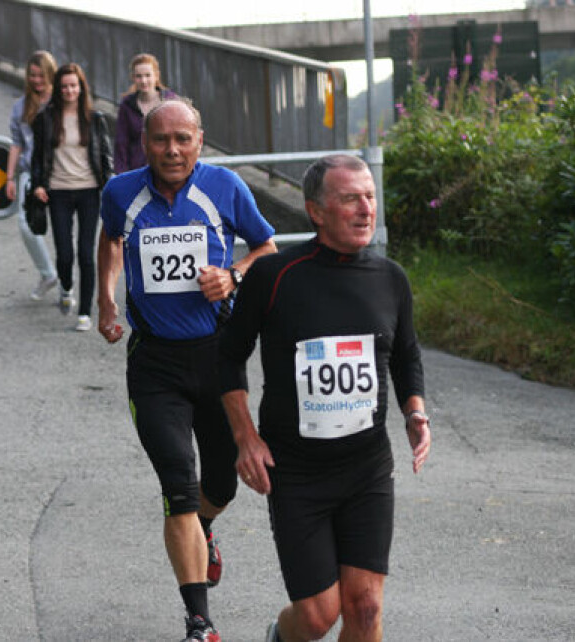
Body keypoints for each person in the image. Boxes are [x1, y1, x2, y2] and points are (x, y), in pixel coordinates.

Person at [217, 154, 432, 642]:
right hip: (296, 471)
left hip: (366, 468)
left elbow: (405, 355)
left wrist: (414, 410)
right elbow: (227, 358)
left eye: (370, 197)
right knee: (316, 617)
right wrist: (244, 438)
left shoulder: (391, 279)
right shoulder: (274, 276)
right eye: (350, 199)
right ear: (316, 211)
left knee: (366, 607)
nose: (365, 209)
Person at [97, 98, 277, 641]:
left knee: (220, 482)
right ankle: (200, 622)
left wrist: (235, 275)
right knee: (178, 482)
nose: (171, 150)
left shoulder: (225, 187)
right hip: (154, 362)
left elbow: (267, 247)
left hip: (219, 358)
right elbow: (108, 240)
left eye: (182, 139)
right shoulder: (120, 192)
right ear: (144, 144)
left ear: (200, 139)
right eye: (160, 140)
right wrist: (106, 300)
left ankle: (202, 529)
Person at [30, 62, 112, 332]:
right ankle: (66, 288)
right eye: (64, 86)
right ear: (58, 88)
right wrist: (38, 185)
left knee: (86, 254)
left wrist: (108, 184)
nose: (69, 90)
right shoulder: (45, 118)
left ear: (81, 87)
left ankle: (85, 312)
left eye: (73, 85)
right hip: (58, 191)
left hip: (89, 191)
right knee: (65, 254)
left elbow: (104, 156)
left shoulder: (95, 118)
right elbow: (38, 157)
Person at [5, 50, 59, 302]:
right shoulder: (21, 106)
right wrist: (9, 178)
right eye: (32, 76)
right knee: (26, 226)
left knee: (62, 227)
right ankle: (48, 273)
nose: (36, 80)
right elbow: (16, 143)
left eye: (41, 75)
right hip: (29, 171)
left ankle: (67, 286)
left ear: (50, 75)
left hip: (60, 171)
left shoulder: (61, 101)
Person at [114, 53, 177, 174]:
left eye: (148, 75)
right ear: (133, 78)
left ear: (156, 76)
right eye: (139, 76)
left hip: (167, 169)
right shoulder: (127, 105)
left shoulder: (171, 101)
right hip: (137, 171)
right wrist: (122, 176)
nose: (143, 81)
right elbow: (121, 144)